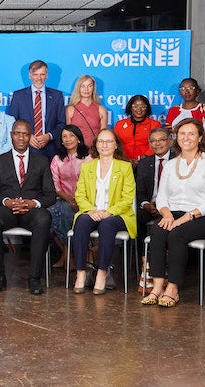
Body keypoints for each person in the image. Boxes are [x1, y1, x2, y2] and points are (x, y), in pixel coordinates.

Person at [141, 119, 205, 308]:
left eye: (191, 133)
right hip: (175, 213)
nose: (186, 138)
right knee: (157, 230)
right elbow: (162, 197)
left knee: (177, 233)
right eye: (182, 134)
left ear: (200, 137)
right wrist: (167, 215)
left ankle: (172, 288)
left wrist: (185, 218)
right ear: (176, 138)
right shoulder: (171, 164)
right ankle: (157, 287)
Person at [0, 120, 59, 295]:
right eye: (17, 133)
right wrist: (7, 201)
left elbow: (50, 195)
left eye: (25, 134)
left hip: (31, 211)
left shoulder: (41, 161)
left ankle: (34, 278)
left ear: (30, 137)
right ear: (11, 135)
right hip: (7, 210)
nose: (21, 137)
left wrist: (33, 203)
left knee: (44, 218)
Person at [71, 129, 137, 295]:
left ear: (116, 145)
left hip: (118, 214)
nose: (104, 145)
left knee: (107, 225)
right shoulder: (87, 167)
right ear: (96, 145)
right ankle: (81, 273)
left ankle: (102, 273)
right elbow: (80, 194)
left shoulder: (125, 167)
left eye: (109, 141)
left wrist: (109, 212)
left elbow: (127, 198)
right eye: (101, 141)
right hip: (92, 211)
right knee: (81, 221)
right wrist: (90, 210)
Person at [48, 125, 91, 265]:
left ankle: (67, 255)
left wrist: (78, 201)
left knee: (65, 211)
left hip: (86, 200)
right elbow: (55, 185)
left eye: (71, 136)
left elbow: (91, 184)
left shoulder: (88, 158)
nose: (68, 139)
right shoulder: (57, 159)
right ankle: (68, 253)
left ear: (78, 139)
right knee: (48, 212)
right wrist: (69, 199)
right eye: (64, 136)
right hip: (63, 199)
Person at [8, 60, 65, 159]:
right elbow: (12, 122)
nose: (39, 78)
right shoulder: (18, 96)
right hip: (26, 148)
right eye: (35, 74)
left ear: (47, 75)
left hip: (51, 150)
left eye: (42, 74)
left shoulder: (57, 96)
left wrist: (49, 136)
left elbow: (61, 123)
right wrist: (28, 136)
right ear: (30, 75)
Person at [134, 128, 172, 265]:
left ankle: (165, 261)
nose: (157, 144)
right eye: (153, 141)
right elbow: (140, 191)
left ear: (170, 141)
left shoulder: (178, 160)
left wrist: (164, 206)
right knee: (136, 218)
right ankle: (141, 261)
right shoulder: (144, 163)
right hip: (150, 206)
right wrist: (146, 204)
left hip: (171, 207)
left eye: (161, 140)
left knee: (163, 224)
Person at [114, 94, 162, 163]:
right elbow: (115, 144)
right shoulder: (120, 124)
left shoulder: (155, 124)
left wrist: (144, 158)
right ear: (130, 107)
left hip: (147, 162)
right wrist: (125, 159)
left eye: (143, 106)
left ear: (147, 108)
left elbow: (157, 144)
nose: (139, 109)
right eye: (135, 106)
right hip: (123, 161)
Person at [66, 74, 108, 145]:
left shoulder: (101, 110)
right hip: (76, 151)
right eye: (83, 86)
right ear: (78, 88)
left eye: (90, 86)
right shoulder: (70, 109)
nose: (86, 89)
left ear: (93, 88)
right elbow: (68, 135)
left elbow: (103, 136)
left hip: (95, 151)